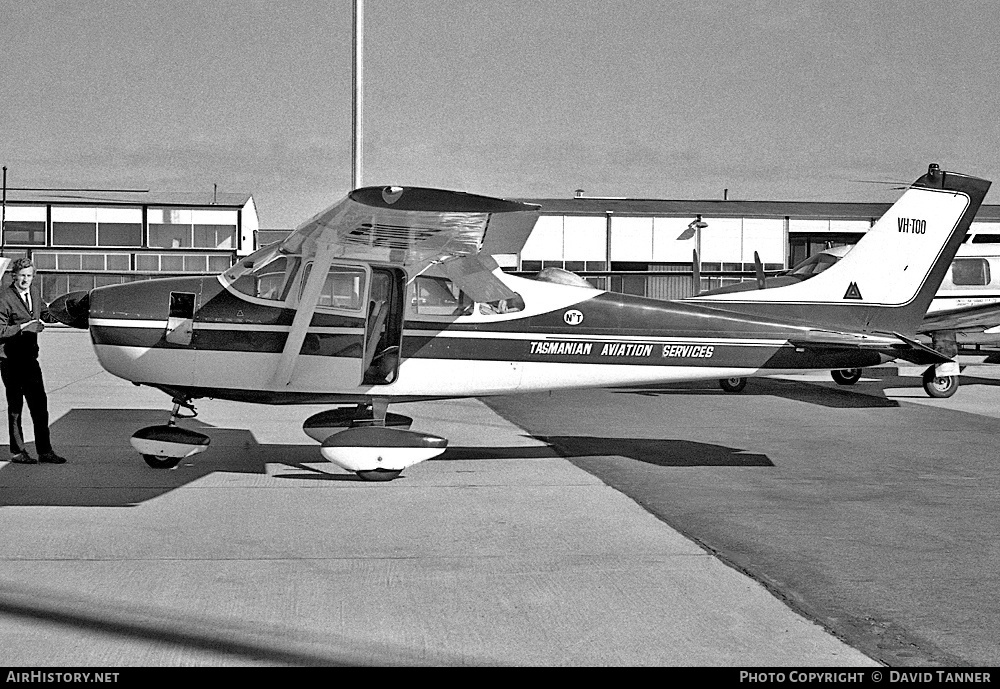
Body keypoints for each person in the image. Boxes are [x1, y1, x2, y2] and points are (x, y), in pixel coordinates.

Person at [0, 257, 66, 464]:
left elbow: (45, 314)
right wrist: (22, 328)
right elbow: (0, 329)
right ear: (13, 276)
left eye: (29, 276)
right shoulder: (4, 298)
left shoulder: (35, 293)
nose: (25, 280)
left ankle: (45, 451)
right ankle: (18, 452)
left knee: (39, 406)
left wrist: (68, 313)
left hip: (30, 359)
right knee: (15, 408)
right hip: (10, 361)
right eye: (22, 276)